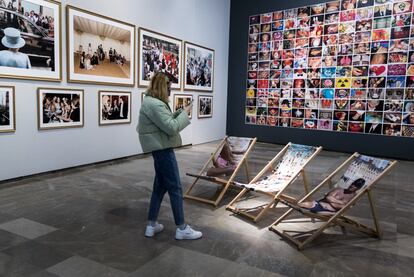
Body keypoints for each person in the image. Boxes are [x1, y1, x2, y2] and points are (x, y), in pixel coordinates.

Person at [137, 72, 202, 240]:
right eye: (169, 87)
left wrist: (179, 113)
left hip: (159, 147)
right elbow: (171, 128)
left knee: (159, 187)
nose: (170, 91)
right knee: (175, 188)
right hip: (163, 149)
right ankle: (182, 228)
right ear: (162, 86)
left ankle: (151, 226)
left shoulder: (151, 102)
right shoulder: (156, 105)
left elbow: (163, 123)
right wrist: (185, 113)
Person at [298, 178, 366, 214]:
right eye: (353, 184)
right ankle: (291, 204)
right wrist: (342, 202)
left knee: (308, 207)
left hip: (329, 212)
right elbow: (328, 197)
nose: (352, 186)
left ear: (358, 188)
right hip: (318, 205)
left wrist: (334, 201)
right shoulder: (339, 190)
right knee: (301, 204)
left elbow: (344, 207)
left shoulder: (354, 197)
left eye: (355, 186)